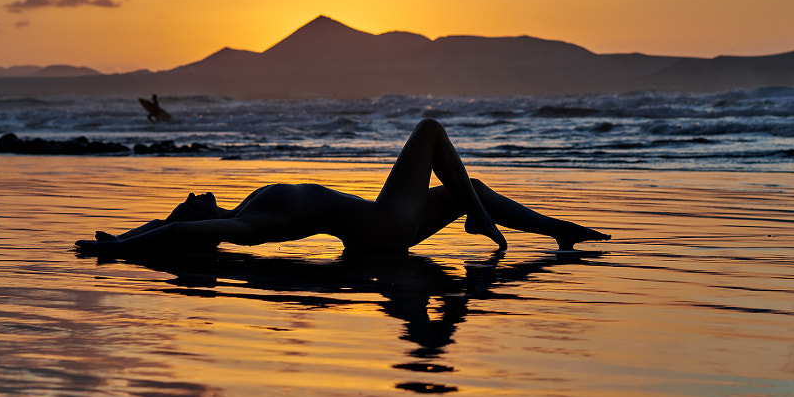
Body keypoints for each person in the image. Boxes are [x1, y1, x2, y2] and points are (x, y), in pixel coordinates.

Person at [75, 118, 609, 256]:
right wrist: (121, 248)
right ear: (201, 222)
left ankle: (561, 231)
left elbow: (165, 227)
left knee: (472, 186)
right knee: (429, 131)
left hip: (383, 222)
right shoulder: (244, 224)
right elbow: (174, 235)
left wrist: (125, 232)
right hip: (384, 225)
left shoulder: (245, 207)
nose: (194, 195)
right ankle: (480, 219)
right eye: (188, 205)